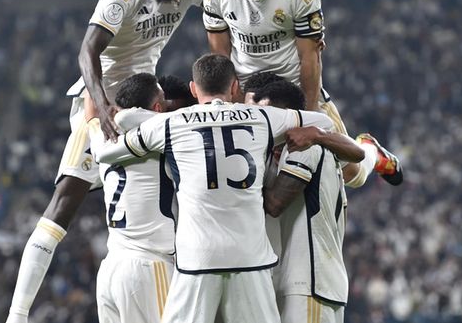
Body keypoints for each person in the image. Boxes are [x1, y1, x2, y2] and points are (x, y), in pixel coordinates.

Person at [5, 0, 204, 323]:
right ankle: (18, 313)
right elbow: (87, 52)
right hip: (105, 105)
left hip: (150, 97)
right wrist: (101, 107)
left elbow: (227, 0)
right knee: (64, 202)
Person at [95, 54, 336, 323]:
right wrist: (310, 134)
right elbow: (323, 122)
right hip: (249, 258)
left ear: (193, 89)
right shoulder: (263, 117)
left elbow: (107, 153)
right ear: (235, 88)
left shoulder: (169, 124)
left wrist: (122, 116)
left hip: (197, 258)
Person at [202, 0, 402, 188]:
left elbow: (310, 58)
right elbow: (220, 55)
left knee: (351, 175)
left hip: (293, 86)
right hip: (247, 90)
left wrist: (308, 119)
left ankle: (371, 153)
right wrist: (229, 104)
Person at [87, 73, 194, 323]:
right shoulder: (165, 132)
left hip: (111, 267)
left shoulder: (101, 133)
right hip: (149, 266)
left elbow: (91, 112)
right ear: (157, 107)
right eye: (164, 102)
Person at [253, 81, 356, 323]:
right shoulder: (317, 146)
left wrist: (238, 180)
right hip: (309, 284)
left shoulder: (304, 149)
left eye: (269, 116)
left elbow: (275, 204)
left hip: (309, 284)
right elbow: (357, 158)